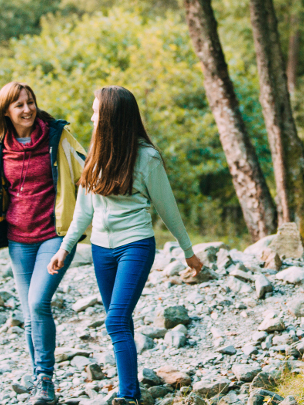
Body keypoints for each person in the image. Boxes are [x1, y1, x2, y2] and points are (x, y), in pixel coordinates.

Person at [48, 86, 203, 405]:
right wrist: (65, 248)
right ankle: (130, 387)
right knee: (120, 319)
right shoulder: (95, 155)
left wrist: (188, 251)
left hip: (135, 246)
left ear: (111, 118)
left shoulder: (147, 157)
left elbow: (167, 208)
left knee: (115, 320)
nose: (92, 118)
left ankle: (128, 396)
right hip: (100, 250)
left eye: (96, 112)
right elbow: (84, 210)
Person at [0, 82, 87, 405]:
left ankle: (45, 379)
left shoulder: (58, 137)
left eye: (30, 102)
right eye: (19, 105)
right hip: (19, 241)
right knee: (29, 314)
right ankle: (39, 380)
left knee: (39, 302)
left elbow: (86, 175)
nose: (27, 109)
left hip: (55, 235)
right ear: (6, 112)